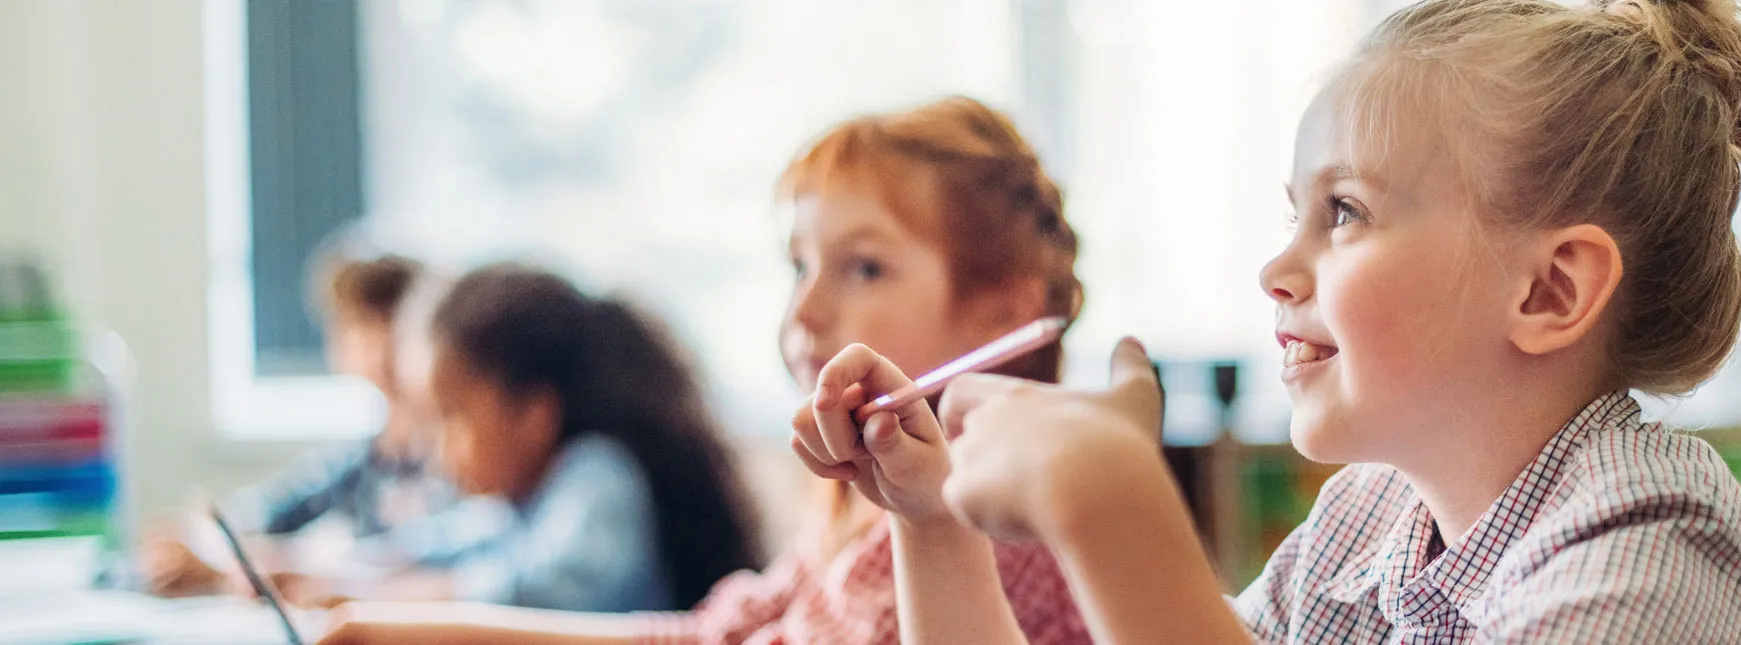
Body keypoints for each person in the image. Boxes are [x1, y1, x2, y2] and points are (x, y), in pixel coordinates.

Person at [795, 1, 1741, 642]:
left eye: (1343, 212)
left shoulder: (1648, 555)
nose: (1275, 270)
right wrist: (930, 521)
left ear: (1549, 293)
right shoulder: (1367, 524)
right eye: (1291, 214)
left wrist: (1114, 508)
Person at [316, 97, 1093, 644]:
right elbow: (706, 636)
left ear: (1004, 312)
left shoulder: (994, 515)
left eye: (863, 268)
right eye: (799, 265)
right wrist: (397, 631)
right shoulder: (866, 506)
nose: (806, 308)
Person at [289, 264, 763, 613]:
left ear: (534, 415)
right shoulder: (523, 500)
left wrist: (391, 596)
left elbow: (548, 588)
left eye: (450, 418)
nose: (435, 450)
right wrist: (333, 572)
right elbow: (444, 543)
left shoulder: (598, 474)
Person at [140, 252, 450, 597]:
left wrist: (267, 564)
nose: (376, 345)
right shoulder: (366, 459)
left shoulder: (461, 461)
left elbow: (426, 554)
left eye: (388, 323)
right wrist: (200, 543)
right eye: (357, 326)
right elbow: (265, 511)